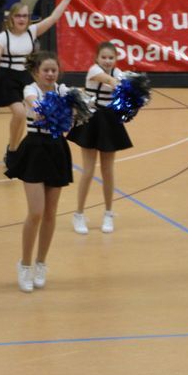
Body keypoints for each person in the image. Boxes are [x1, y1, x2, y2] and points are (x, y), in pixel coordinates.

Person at [0, 0, 75, 160]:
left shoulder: (32, 32)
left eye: (25, 16)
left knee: (28, 115)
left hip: (26, 78)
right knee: (19, 113)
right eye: (18, 16)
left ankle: (15, 148)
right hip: (7, 79)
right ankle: (13, 150)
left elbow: (54, 17)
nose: (22, 19)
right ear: (11, 18)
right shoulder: (3, 37)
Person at [5, 50, 73, 293]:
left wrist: (76, 108)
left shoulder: (64, 91)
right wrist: (60, 108)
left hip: (56, 150)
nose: (50, 74)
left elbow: (73, 118)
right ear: (36, 72)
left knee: (51, 213)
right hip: (34, 150)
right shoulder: (30, 90)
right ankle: (24, 264)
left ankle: (41, 263)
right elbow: (37, 107)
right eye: (46, 70)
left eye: (54, 70)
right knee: (36, 212)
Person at [67, 42, 132, 235]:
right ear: (97, 58)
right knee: (88, 170)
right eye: (104, 57)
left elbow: (123, 88)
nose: (107, 61)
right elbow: (110, 81)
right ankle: (78, 214)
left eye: (111, 58)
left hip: (109, 121)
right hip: (91, 119)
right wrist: (125, 85)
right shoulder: (94, 71)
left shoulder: (118, 72)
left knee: (107, 170)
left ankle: (108, 213)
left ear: (116, 59)